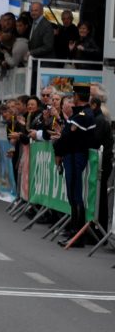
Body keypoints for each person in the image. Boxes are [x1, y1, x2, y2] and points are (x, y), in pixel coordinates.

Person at [54, 84, 96, 248]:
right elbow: (67, 133)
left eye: (74, 95)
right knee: (72, 194)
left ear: (78, 96)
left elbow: (68, 136)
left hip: (76, 156)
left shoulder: (83, 114)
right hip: (71, 155)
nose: (73, 98)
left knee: (76, 194)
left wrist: (57, 150)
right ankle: (73, 231)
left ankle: (78, 235)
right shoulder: (78, 114)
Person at [90, 97, 113, 232]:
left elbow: (94, 141)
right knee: (98, 197)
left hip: (101, 164)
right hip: (101, 163)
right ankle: (97, 228)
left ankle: (99, 229)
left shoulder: (99, 121)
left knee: (100, 198)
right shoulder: (99, 120)